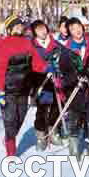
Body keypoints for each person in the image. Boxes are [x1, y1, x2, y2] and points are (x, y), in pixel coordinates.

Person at [0, 15, 49, 156]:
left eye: (21, 26)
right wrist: (0, 91)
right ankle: (11, 152)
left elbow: (35, 62)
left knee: (21, 116)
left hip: (24, 88)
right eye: (16, 26)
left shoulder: (27, 43)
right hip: (8, 90)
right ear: (10, 29)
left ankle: (9, 136)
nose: (19, 28)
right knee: (10, 119)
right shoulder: (3, 44)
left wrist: (46, 68)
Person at [59, 18, 89, 161]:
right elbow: (63, 69)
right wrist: (75, 75)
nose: (77, 30)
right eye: (73, 28)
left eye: (78, 27)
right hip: (75, 88)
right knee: (74, 116)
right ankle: (74, 145)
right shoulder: (66, 48)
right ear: (69, 31)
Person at [30, 20, 64, 151]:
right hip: (41, 82)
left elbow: (64, 58)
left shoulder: (55, 44)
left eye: (43, 28)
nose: (42, 31)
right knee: (42, 109)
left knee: (56, 107)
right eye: (38, 30)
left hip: (55, 80)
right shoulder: (32, 45)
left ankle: (53, 131)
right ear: (34, 32)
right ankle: (41, 135)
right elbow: (31, 63)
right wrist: (43, 68)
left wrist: (58, 65)